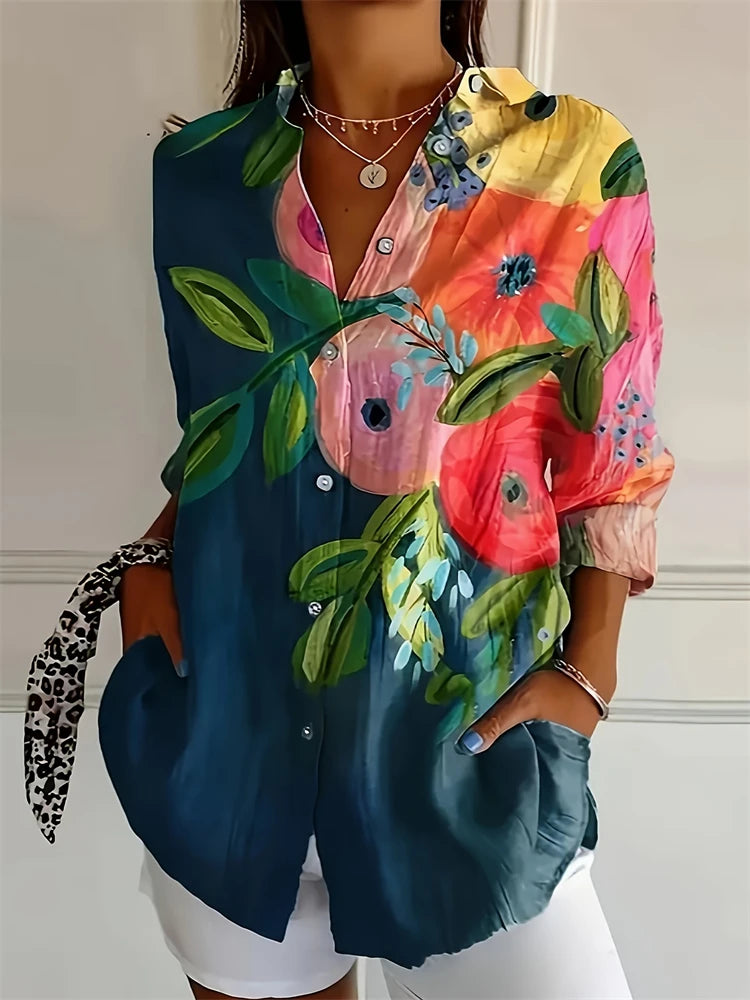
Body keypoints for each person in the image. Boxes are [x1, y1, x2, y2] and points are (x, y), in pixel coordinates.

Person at [24, 0, 675, 997]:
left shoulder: (573, 162)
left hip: (468, 768)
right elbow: (228, 435)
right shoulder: (198, 174)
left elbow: (613, 454)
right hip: (228, 761)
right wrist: (150, 564)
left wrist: (589, 674)